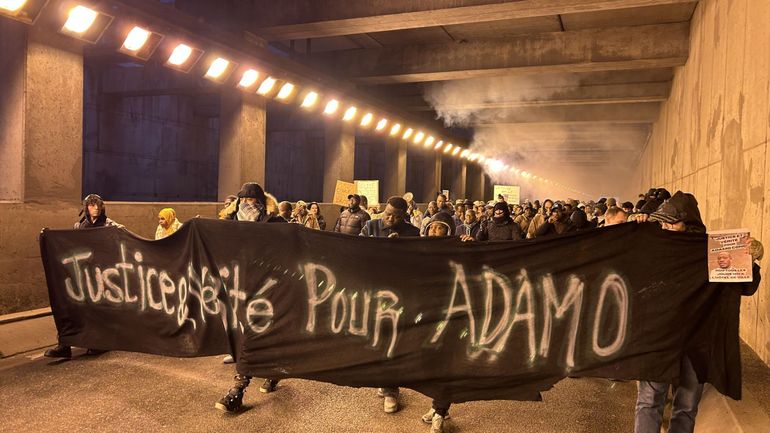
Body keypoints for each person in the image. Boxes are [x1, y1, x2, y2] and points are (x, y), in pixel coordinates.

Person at [634, 190, 763, 433]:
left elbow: (745, 287)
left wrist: (751, 260)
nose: (667, 227)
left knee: (686, 406)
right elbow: (625, 262)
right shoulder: (654, 245)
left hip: (697, 343)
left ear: (689, 223)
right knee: (649, 402)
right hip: (658, 340)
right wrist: (635, 229)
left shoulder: (711, 252)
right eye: (663, 222)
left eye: (673, 222)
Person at [216, 183, 285, 413]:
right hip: (239, 288)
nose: (247, 203)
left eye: (251, 199)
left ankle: (240, 388)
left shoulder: (273, 222)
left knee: (260, 334)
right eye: (243, 199)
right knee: (249, 336)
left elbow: (292, 245)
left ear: (260, 201)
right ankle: (251, 382)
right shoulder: (230, 223)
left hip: (267, 288)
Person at [360, 196, 420, 413]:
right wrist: (382, 246)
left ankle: (391, 390)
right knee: (376, 340)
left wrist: (401, 248)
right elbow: (357, 252)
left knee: (393, 342)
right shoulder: (370, 226)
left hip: (399, 295)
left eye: (395, 216)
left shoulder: (412, 232)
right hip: (373, 293)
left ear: (404, 216)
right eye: (387, 214)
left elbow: (418, 263)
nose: (389, 219)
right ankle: (383, 379)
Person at [45, 194, 123, 359]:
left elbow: (121, 241)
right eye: (91, 205)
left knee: (99, 309)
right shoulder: (79, 226)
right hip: (82, 275)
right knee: (72, 307)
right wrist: (48, 238)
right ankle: (65, 344)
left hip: (103, 276)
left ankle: (101, 342)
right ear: (86, 207)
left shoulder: (111, 225)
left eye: (98, 205)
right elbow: (69, 245)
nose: (95, 208)